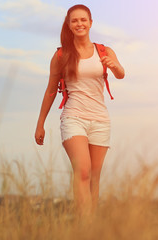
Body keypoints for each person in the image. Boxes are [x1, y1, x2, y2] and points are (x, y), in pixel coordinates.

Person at [34, 4, 125, 217]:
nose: (79, 24)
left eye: (83, 20)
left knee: (94, 178)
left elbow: (121, 74)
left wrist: (114, 65)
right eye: (74, 20)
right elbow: (50, 91)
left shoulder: (104, 51)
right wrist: (40, 124)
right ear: (69, 24)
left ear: (91, 23)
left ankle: (89, 228)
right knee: (82, 172)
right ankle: (84, 225)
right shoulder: (61, 55)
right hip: (73, 118)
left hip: (100, 119)